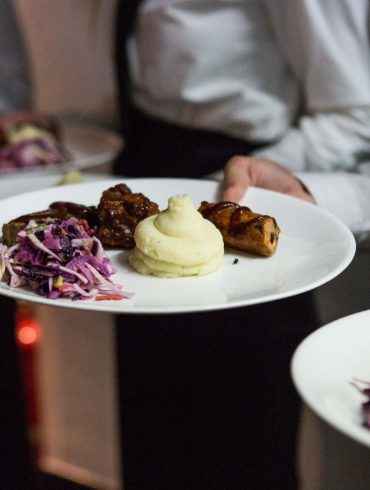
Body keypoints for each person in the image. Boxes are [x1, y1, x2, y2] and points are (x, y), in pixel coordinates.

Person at [112, 1, 370, 489]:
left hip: (239, 195)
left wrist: (229, 199)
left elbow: (354, 114)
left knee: (243, 449)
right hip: (144, 224)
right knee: (155, 441)